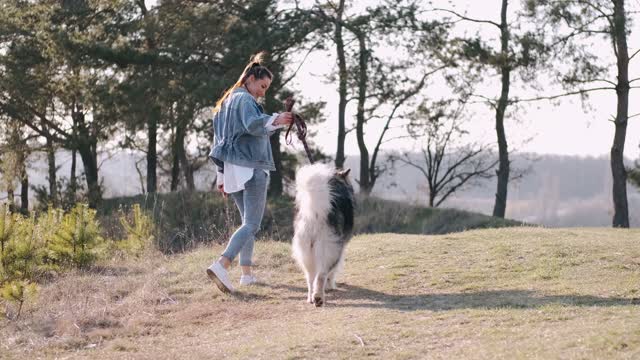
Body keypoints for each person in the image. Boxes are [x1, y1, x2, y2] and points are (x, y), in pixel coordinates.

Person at [206, 52, 293, 293]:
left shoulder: (225, 103)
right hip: (250, 167)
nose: (263, 92)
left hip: (233, 169)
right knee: (252, 224)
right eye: (262, 86)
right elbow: (253, 125)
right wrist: (277, 119)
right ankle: (222, 264)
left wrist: (221, 176)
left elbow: (219, 140)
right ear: (251, 79)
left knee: (247, 224)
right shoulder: (244, 100)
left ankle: (246, 275)